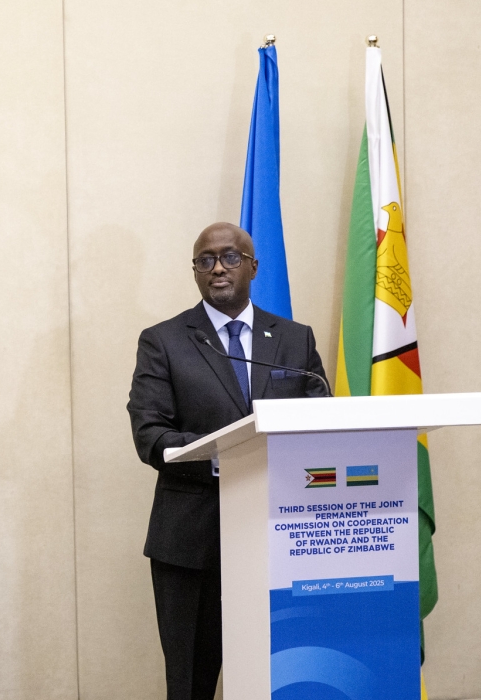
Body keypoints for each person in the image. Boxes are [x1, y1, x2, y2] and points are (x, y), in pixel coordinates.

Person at [126, 222, 329, 700]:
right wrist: (228, 460)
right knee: (192, 683)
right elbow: (150, 434)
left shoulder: (295, 340)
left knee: (282, 674)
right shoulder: (164, 341)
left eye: (230, 257)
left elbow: (321, 420)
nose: (218, 267)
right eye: (205, 260)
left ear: (253, 267)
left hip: (282, 536)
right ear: (195, 271)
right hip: (192, 543)